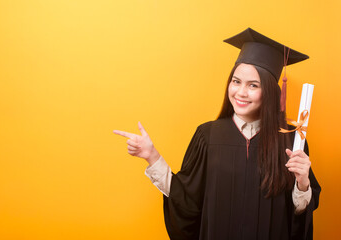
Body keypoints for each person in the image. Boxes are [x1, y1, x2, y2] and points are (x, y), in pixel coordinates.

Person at [114, 28, 321, 240]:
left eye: (253, 85)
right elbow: (186, 200)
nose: (241, 92)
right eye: (236, 81)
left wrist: (302, 182)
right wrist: (152, 156)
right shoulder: (208, 136)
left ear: (268, 91)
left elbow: (297, 215)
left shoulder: (291, 140)